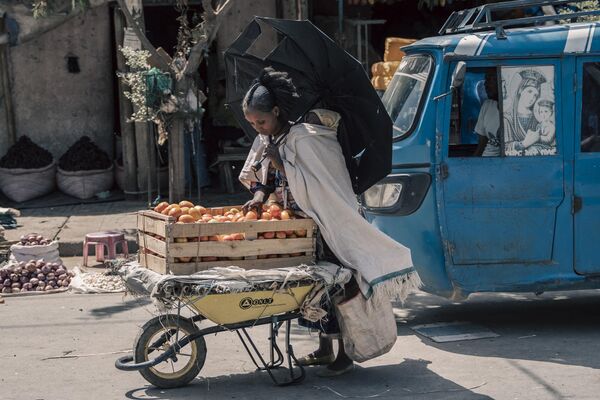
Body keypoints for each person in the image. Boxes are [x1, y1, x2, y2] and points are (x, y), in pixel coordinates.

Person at [238, 67, 419, 377]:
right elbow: (264, 180)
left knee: (337, 288)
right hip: (295, 225)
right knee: (311, 290)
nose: (258, 127)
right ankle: (324, 347)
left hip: (325, 224)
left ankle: (346, 353)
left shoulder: (307, 138)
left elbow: (323, 184)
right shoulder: (270, 139)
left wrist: (281, 161)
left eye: (262, 121)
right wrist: (257, 198)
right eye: (252, 123)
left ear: (277, 111)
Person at [504, 69, 545, 155]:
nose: (532, 98)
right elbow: (504, 148)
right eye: (529, 91)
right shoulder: (507, 118)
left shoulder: (537, 118)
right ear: (520, 90)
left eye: (535, 95)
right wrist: (524, 144)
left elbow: (546, 144)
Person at [474, 69, 501, 157]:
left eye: (489, 79)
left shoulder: (514, 109)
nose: (485, 84)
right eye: (486, 79)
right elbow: (482, 142)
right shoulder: (487, 105)